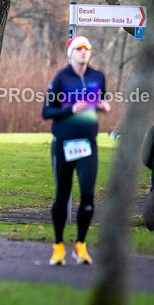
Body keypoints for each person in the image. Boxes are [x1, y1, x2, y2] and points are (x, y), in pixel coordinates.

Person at [42, 36, 110, 266]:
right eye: (78, 49)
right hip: (64, 143)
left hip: (88, 143)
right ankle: (58, 246)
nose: (83, 52)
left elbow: (100, 101)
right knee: (63, 194)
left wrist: (102, 106)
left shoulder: (97, 76)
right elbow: (47, 112)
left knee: (88, 194)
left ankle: (80, 245)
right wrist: (70, 109)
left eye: (86, 49)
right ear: (71, 53)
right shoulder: (61, 78)